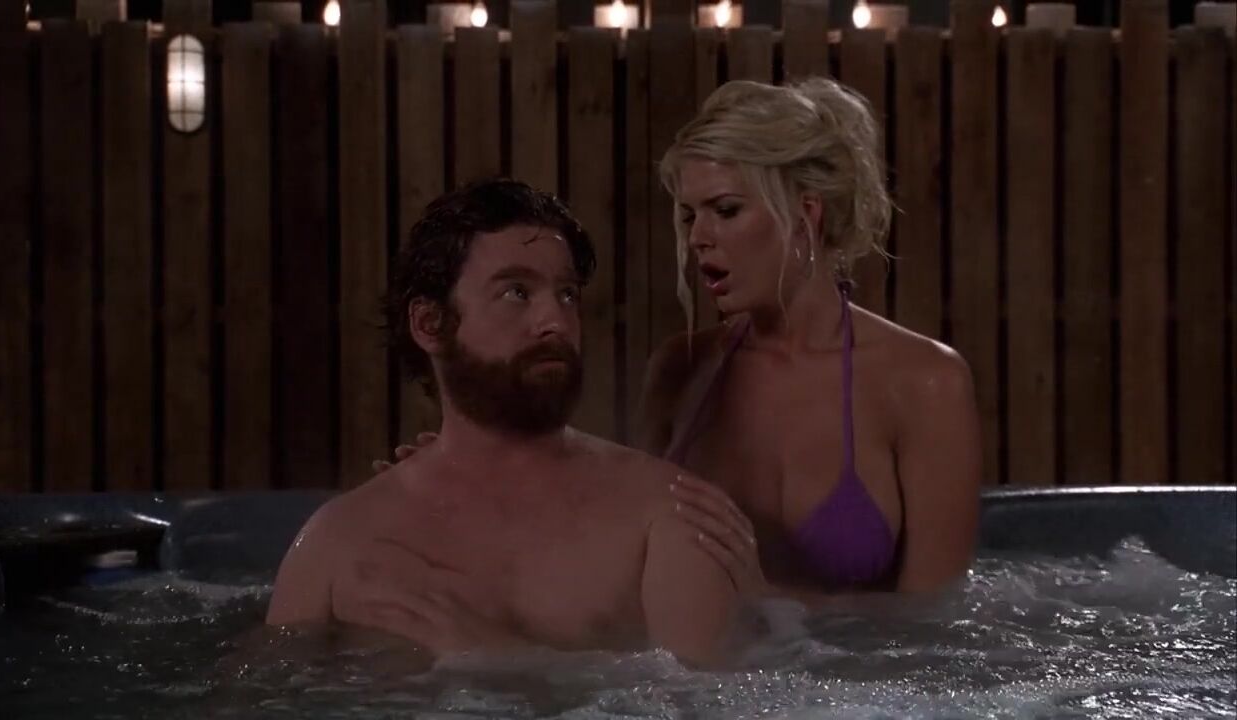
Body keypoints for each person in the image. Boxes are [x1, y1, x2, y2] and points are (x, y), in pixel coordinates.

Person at [382, 78, 981, 605]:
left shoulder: (923, 383)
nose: (698, 238)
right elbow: (614, 552)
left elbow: (936, 631)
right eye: (691, 215)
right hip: (695, 683)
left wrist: (766, 603)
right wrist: (476, 481)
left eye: (725, 210)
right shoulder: (683, 370)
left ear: (807, 214)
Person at [266, 179, 738, 668]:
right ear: (429, 324)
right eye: (517, 292)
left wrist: (494, 656)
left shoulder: (666, 513)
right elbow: (263, 692)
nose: (556, 321)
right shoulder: (339, 542)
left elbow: (707, 698)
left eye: (567, 294)